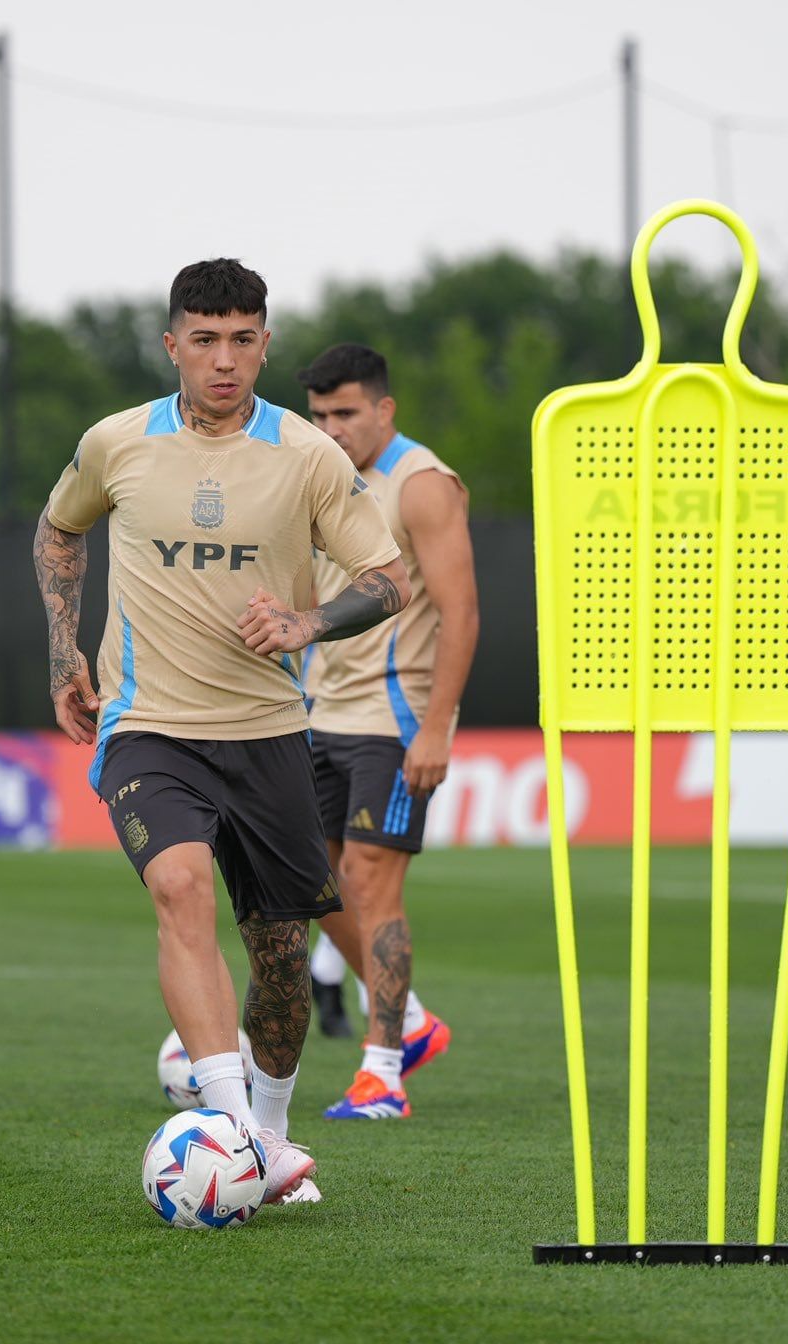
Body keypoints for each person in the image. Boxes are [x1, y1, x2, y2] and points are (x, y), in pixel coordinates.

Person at [35, 260, 409, 1205]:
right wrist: (62, 655)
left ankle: (270, 1134)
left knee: (281, 955)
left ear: (265, 344)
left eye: (243, 339)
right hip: (148, 726)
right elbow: (57, 531)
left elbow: (387, 575)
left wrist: (308, 624)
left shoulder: (308, 455)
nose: (225, 359)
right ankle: (235, 1132)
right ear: (173, 346)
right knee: (179, 882)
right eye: (204, 339)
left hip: (271, 731)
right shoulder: (117, 443)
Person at [297, 344, 479, 1121]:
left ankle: (381, 1074)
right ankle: (416, 1021)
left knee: (372, 882)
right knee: (310, 884)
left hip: (393, 719)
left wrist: (437, 727)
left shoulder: (422, 484)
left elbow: (462, 611)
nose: (332, 429)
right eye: (318, 416)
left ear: (383, 409)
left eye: (344, 413)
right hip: (316, 713)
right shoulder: (316, 477)